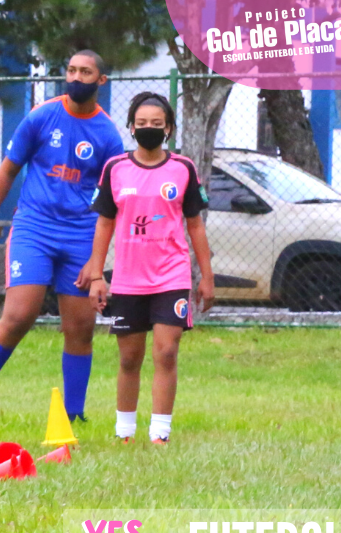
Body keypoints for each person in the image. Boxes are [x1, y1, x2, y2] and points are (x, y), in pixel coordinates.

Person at [0, 51, 124, 421]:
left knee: (80, 327)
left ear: (101, 81)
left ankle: (73, 414)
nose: (76, 77)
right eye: (71, 70)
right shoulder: (41, 116)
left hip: (81, 235)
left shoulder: (108, 135)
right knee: (19, 314)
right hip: (34, 228)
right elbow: (6, 173)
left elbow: (111, 202)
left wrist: (96, 262)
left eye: (85, 72)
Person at [86, 91, 214, 444]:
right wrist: (97, 276)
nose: (148, 129)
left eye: (156, 124)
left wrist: (206, 276)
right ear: (131, 127)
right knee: (129, 358)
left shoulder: (183, 168)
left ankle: (160, 434)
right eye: (142, 124)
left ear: (168, 128)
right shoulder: (115, 169)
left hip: (171, 275)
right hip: (128, 279)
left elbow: (196, 226)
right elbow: (104, 225)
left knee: (167, 351)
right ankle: (124, 432)